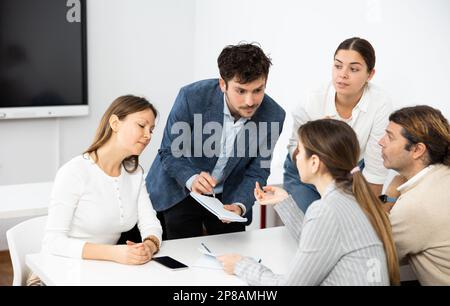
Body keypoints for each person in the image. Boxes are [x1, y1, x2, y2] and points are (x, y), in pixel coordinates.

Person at [218, 119, 400, 286]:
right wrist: (284, 202)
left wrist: (241, 265)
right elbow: (317, 244)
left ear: (314, 162)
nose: (295, 156)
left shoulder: (327, 209)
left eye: (299, 151)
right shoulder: (352, 199)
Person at [146, 43, 285, 240]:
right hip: (179, 190)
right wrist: (192, 178)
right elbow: (169, 152)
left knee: (233, 258)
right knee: (180, 257)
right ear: (223, 84)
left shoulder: (274, 115)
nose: (250, 101)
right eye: (240, 91)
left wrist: (239, 205)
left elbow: (258, 170)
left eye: (258, 90)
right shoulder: (191, 97)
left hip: (228, 198)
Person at [42, 95, 162, 265]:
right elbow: (52, 242)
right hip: (59, 268)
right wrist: (114, 253)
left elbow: (151, 224)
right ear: (115, 123)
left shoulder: (135, 174)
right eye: (142, 125)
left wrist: (149, 246)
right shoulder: (74, 172)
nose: (147, 135)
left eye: (151, 130)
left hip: (103, 270)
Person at [284, 37, 391, 212]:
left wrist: (370, 216)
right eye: (338, 66)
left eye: (354, 69)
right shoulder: (311, 100)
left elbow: (375, 171)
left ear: (370, 74)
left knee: (351, 223)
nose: (343, 74)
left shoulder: (380, 103)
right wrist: (315, 140)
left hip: (349, 172)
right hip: (305, 170)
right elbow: (295, 148)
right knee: (310, 225)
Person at [378, 105, 450, 285]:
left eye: (390, 136)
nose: (381, 141)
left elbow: (373, 253)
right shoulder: (442, 176)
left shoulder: (415, 205)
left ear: (417, 150)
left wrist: (388, 196)